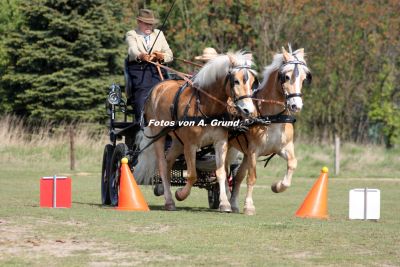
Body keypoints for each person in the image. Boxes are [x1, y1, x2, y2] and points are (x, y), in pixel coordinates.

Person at [125, 8, 173, 121]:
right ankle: (142, 123)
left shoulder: (159, 34)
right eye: (146, 24)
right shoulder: (132, 34)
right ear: (139, 22)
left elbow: (170, 54)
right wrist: (141, 56)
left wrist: (162, 56)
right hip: (139, 70)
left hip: (157, 70)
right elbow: (132, 50)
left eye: (151, 24)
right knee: (142, 93)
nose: (149, 27)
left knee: (168, 91)